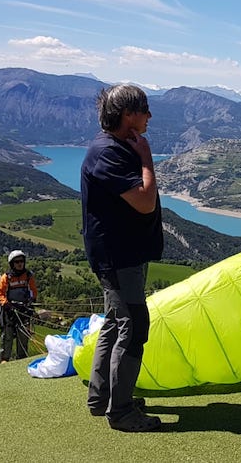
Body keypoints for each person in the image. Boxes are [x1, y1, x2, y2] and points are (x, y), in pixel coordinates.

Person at [81, 84, 163, 432]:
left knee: (116, 322)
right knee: (134, 325)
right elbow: (144, 202)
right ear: (128, 115)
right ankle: (122, 411)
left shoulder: (112, 148)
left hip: (119, 254)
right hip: (119, 257)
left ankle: (102, 398)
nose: (149, 116)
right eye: (144, 109)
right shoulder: (108, 153)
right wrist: (146, 159)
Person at [0, 250, 38, 362]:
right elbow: (0, 293)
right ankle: (4, 360)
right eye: (17, 262)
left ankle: (22, 360)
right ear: (12, 264)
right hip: (9, 311)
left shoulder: (28, 276)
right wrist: (6, 304)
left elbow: (33, 291)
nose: (20, 264)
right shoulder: (6, 277)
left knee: (23, 336)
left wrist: (31, 300)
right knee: (7, 336)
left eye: (22, 261)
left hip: (24, 311)